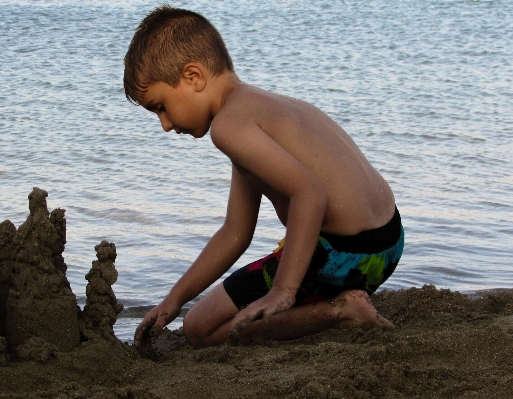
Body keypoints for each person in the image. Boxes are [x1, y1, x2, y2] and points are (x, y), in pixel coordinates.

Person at [123, 5, 404, 350]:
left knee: (200, 329)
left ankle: (340, 311)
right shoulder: (258, 108)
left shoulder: (229, 127)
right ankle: (335, 298)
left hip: (342, 257)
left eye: (160, 106)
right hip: (387, 245)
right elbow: (235, 232)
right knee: (208, 312)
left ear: (193, 77)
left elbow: (311, 195)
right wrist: (174, 299)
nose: (164, 124)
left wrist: (281, 292)